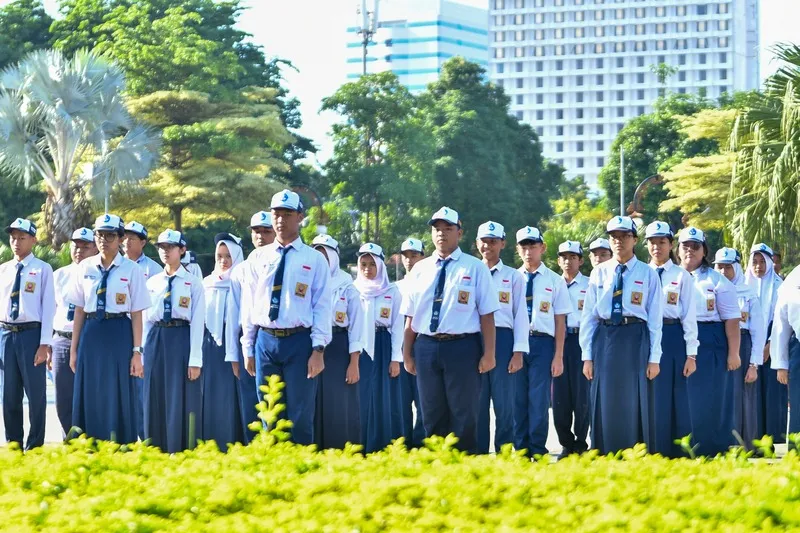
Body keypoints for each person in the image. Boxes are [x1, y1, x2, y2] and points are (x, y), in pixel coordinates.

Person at [401, 206, 498, 454]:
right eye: (437, 229)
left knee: (463, 412)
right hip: (426, 345)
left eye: (448, 229)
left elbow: (487, 315)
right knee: (430, 411)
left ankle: (465, 469)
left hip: (462, 346)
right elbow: (411, 316)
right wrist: (407, 353)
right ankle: (437, 466)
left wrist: (489, 354)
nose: (441, 234)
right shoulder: (420, 269)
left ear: (460, 232)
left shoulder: (475, 267)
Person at [241, 190, 331, 445]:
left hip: (299, 342)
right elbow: (249, 304)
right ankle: (273, 468)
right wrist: (248, 347)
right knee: (269, 412)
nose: (280, 220)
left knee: (300, 415)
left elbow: (322, 306)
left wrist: (319, 349)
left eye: (287, 214)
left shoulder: (313, 259)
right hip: (265, 341)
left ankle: (301, 471)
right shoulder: (257, 257)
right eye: (276, 214)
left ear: (300, 217)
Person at [580, 216, 663, 455]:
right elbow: (589, 316)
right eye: (614, 236)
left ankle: (635, 451)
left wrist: (654, 357)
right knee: (605, 398)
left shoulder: (647, 273)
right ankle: (605, 452)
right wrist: (587, 355)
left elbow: (655, 319)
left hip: (635, 337)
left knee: (634, 400)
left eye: (624, 236)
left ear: (634, 239)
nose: (619, 241)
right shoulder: (599, 273)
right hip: (605, 338)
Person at [69, 214, 149, 444]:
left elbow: (136, 314)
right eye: (100, 235)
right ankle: (89, 443)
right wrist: (74, 350)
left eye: (110, 235)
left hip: (119, 331)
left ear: (121, 238)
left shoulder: (131, 270)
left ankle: (119, 443)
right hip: (92, 331)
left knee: (118, 390)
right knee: (90, 389)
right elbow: (79, 310)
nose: (104, 240)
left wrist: (137, 352)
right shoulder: (85, 267)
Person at [677, 227, 740, 456]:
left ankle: (714, 446)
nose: (690, 251)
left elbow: (732, 319)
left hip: (710, 338)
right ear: (678, 249)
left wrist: (734, 353)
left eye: (696, 246)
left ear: (704, 251)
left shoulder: (717, 280)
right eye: (685, 246)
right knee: (683, 394)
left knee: (711, 394)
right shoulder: (669, 275)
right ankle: (685, 444)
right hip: (678, 336)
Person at [143, 229, 205, 453]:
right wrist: (141, 351)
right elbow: (146, 320)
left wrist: (195, 359)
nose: (165, 251)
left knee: (180, 395)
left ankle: (180, 448)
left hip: (181, 338)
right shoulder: (152, 282)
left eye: (170, 247)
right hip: (156, 338)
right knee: (154, 393)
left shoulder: (193, 283)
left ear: (182, 250)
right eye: (161, 247)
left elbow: (198, 321)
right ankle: (154, 447)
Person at [0, 218, 54, 449]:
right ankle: (13, 444)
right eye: (13, 237)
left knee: (36, 395)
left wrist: (44, 344)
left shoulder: (42, 269)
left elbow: (48, 307)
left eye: (22, 238)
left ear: (33, 240)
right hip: (6, 333)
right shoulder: (3, 269)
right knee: (9, 395)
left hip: (31, 335)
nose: (16, 242)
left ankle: (35, 445)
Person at [644, 221, 697, 457]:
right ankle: (650, 446)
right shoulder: (640, 273)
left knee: (675, 395)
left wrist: (691, 354)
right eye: (652, 242)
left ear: (671, 245)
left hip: (673, 336)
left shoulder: (681, 275)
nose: (657, 247)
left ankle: (677, 451)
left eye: (662, 242)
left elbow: (689, 316)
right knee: (648, 393)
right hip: (644, 336)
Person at [514, 226, 568, 457]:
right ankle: (519, 448)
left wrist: (558, 355)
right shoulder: (513, 278)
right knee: (516, 398)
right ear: (518, 249)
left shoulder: (555, 280)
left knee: (538, 400)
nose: (528, 252)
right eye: (524, 247)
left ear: (542, 248)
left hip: (542, 343)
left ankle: (537, 448)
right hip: (517, 342)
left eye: (533, 246)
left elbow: (560, 321)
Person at [474, 222, 526, 454]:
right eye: (484, 241)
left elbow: (521, 316)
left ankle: (504, 453)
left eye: (493, 241)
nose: (488, 246)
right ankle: (478, 453)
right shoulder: (471, 271)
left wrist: (518, 352)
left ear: (503, 244)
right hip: (474, 339)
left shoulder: (513, 276)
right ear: (477, 243)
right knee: (476, 402)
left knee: (504, 404)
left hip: (504, 340)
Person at [225, 210, 276, 444]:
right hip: (248, 340)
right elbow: (235, 312)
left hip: (272, 336)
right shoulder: (241, 270)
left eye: (266, 231)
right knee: (250, 400)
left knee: (274, 398)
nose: (261, 236)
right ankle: (253, 448)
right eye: (256, 231)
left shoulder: (281, 261)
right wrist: (235, 353)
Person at [312, 234, 364, 450]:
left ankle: (340, 451)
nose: (321, 259)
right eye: (317, 254)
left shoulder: (347, 286)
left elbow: (356, 327)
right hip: (313, 345)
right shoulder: (309, 282)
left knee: (338, 403)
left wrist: (354, 363)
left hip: (339, 347)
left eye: (325, 254)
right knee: (313, 401)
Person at [354, 243, 405, 452]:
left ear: (381, 266)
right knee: (361, 395)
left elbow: (398, 326)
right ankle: (359, 443)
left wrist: (395, 358)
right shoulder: (353, 289)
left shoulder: (392, 291)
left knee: (383, 395)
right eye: (364, 264)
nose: (367, 269)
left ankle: (383, 444)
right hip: (359, 346)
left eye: (372, 265)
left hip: (383, 344)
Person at [714, 247, 764, 450]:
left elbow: (758, 330)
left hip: (743, 346)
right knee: (721, 395)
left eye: (728, 267)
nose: (724, 272)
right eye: (720, 267)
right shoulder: (711, 289)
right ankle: (721, 443)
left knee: (743, 396)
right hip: (718, 345)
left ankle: (745, 446)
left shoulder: (748, 293)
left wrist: (754, 364)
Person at [52, 227, 98, 438]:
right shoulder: (59, 275)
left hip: (88, 340)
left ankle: (91, 442)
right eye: (76, 246)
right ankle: (69, 443)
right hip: (62, 339)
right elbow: (51, 310)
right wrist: (48, 344)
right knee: (63, 398)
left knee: (91, 396)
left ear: (96, 248)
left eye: (85, 246)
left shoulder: (97, 274)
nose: (79, 250)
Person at [201, 233, 245, 451]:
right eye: (219, 256)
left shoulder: (242, 282)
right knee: (213, 395)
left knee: (234, 396)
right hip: (211, 346)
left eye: (228, 256)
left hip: (235, 342)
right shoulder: (207, 283)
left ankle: (234, 443)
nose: (223, 261)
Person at [746, 243, 787, 445]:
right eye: (755, 261)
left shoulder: (781, 287)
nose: (758, 266)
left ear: (770, 263)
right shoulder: (743, 286)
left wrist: (769, 345)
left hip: (774, 342)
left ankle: (774, 442)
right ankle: (752, 439)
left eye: (763, 261)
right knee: (752, 393)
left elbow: (782, 321)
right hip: (749, 344)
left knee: (772, 393)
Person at [122, 220, 159, 440]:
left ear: (143, 242)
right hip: (116, 332)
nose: (126, 242)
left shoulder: (153, 270)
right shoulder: (113, 265)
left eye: (132, 238)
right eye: (124, 237)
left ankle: (146, 439)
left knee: (140, 391)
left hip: (142, 335)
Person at [554, 240, 590, 458]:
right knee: (559, 396)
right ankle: (565, 443)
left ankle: (580, 442)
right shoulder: (552, 283)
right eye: (564, 257)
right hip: (558, 342)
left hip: (580, 341)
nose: (568, 261)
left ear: (581, 261)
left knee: (582, 396)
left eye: (573, 257)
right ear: (558, 261)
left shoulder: (589, 284)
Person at [394, 237, 426, 448]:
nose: (409, 260)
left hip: (422, 347)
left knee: (424, 399)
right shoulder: (394, 287)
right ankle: (403, 441)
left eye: (414, 255)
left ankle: (421, 442)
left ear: (422, 257)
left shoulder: (429, 283)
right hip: (399, 348)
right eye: (406, 256)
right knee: (401, 399)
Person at [770, 265, 800, 438]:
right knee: (798, 403)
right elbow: (781, 325)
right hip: (799, 348)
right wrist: (781, 364)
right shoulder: (794, 279)